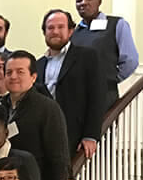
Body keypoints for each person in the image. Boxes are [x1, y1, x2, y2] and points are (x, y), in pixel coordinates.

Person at [2, 50, 70, 180]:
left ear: (33, 77)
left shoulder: (48, 108)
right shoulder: (0, 107)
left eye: (20, 72)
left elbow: (58, 161)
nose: (13, 77)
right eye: (9, 72)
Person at [36, 9, 105, 163]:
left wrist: (90, 135)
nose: (55, 32)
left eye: (60, 27)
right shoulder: (37, 65)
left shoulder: (87, 56)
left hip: (74, 134)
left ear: (71, 31)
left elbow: (96, 97)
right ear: (44, 32)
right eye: (50, 28)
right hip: (44, 135)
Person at [71, 0, 140, 110]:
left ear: (99, 1)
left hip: (104, 97)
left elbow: (130, 60)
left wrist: (109, 79)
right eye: (79, 0)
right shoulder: (74, 33)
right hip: (77, 98)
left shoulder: (117, 25)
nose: (83, 3)